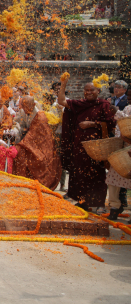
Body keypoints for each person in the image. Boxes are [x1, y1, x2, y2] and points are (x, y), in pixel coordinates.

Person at [58, 77, 116, 212]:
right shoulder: (80, 103)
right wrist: (63, 84)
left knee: (96, 173)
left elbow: (111, 123)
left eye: (92, 90)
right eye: (86, 90)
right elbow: (61, 101)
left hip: (96, 147)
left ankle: (98, 202)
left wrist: (92, 124)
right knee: (79, 173)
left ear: (98, 91)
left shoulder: (103, 105)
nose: (89, 92)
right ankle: (82, 201)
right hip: (79, 146)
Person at [7, 96, 62, 189]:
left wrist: (20, 145)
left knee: (31, 156)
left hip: (41, 145)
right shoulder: (22, 111)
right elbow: (19, 124)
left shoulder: (40, 116)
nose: (25, 109)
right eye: (23, 106)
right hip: (29, 142)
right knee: (20, 154)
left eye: (27, 106)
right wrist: (14, 131)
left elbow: (33, 135)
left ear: (33, 105)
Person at [107, 104, 131, 220]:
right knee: (113, 180)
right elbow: (120, 128)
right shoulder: (127, 108)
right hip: (122, 151)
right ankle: (114, 207)